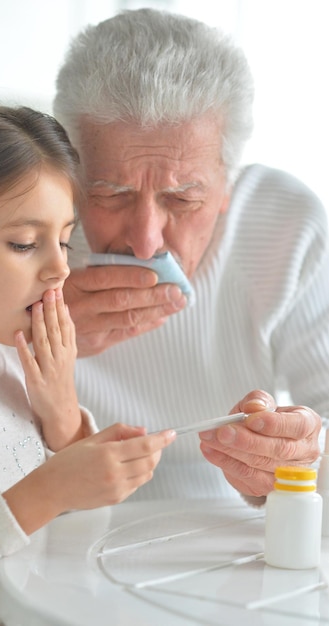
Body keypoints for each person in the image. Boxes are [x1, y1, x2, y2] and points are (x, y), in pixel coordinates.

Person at [0, 94, 175, 626]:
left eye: (64, 239)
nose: (61, 270)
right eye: (25, 244)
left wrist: (64, 420)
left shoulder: (9, 353)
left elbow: (72, 543)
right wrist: (47, 489)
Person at [53, 8, 329, 504]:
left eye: (182, 199)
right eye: (111, 194)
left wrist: (306, 454)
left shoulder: (286, 224)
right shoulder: (22, 229)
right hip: (62, 520)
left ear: (228, 185)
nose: (145, 242)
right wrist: (19, 340)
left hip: (233, 529)